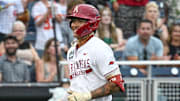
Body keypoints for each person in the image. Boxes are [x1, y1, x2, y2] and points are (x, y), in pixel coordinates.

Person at [63, 4, 125, 101]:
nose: (74, 25)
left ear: (92, 23)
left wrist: (88, 95)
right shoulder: (71, 50)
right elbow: (79, 86)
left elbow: (116, 84)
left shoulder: (99, 48)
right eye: (73, 21)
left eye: (80, 21)